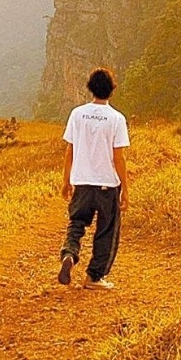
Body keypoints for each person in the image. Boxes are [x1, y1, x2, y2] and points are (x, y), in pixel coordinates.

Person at [59, 67, 130, 290]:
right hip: (107, 185)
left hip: (81, 181)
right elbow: (118, 158)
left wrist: (66, 180)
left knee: (76, 223)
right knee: (107, 230)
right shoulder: (117, 119)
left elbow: (69, 150)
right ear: (112, 90)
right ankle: (94, 276)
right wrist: (125, 189)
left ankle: (69, 253)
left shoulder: (77, 114)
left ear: (90, 88)